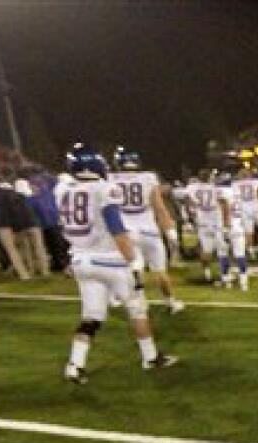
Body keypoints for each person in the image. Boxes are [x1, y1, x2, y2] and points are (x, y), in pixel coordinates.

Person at [57, 143, 176, 384]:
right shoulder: (104, 189)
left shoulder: (63, 190)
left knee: (92, 316)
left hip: (81, 259)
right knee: (137, 308)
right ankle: (150, 357)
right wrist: (132, 261)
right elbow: (117, 230)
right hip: (109, 261)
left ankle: (74, 364)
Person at [109, 147, 185, 311]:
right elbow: (159, 208)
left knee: (134, 267)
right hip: (149, 230)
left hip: (126, 230)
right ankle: (170, 302)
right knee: (160, 270)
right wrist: (170, 231)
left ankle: (138, 298)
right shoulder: (148, 178)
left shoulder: (111, 179)